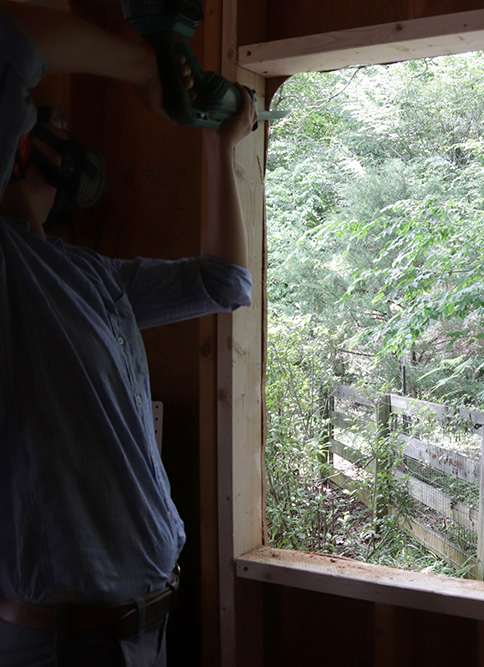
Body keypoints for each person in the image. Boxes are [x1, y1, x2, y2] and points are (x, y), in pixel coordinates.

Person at [0, 1, 257, 664]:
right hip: (60, 640)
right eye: (43, 120)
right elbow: (8, 36)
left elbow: (223, 283)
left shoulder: (91, 275)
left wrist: (218, 144)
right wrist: (146, 67)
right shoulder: (7, 267)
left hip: (144, 624)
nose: (61, 137)